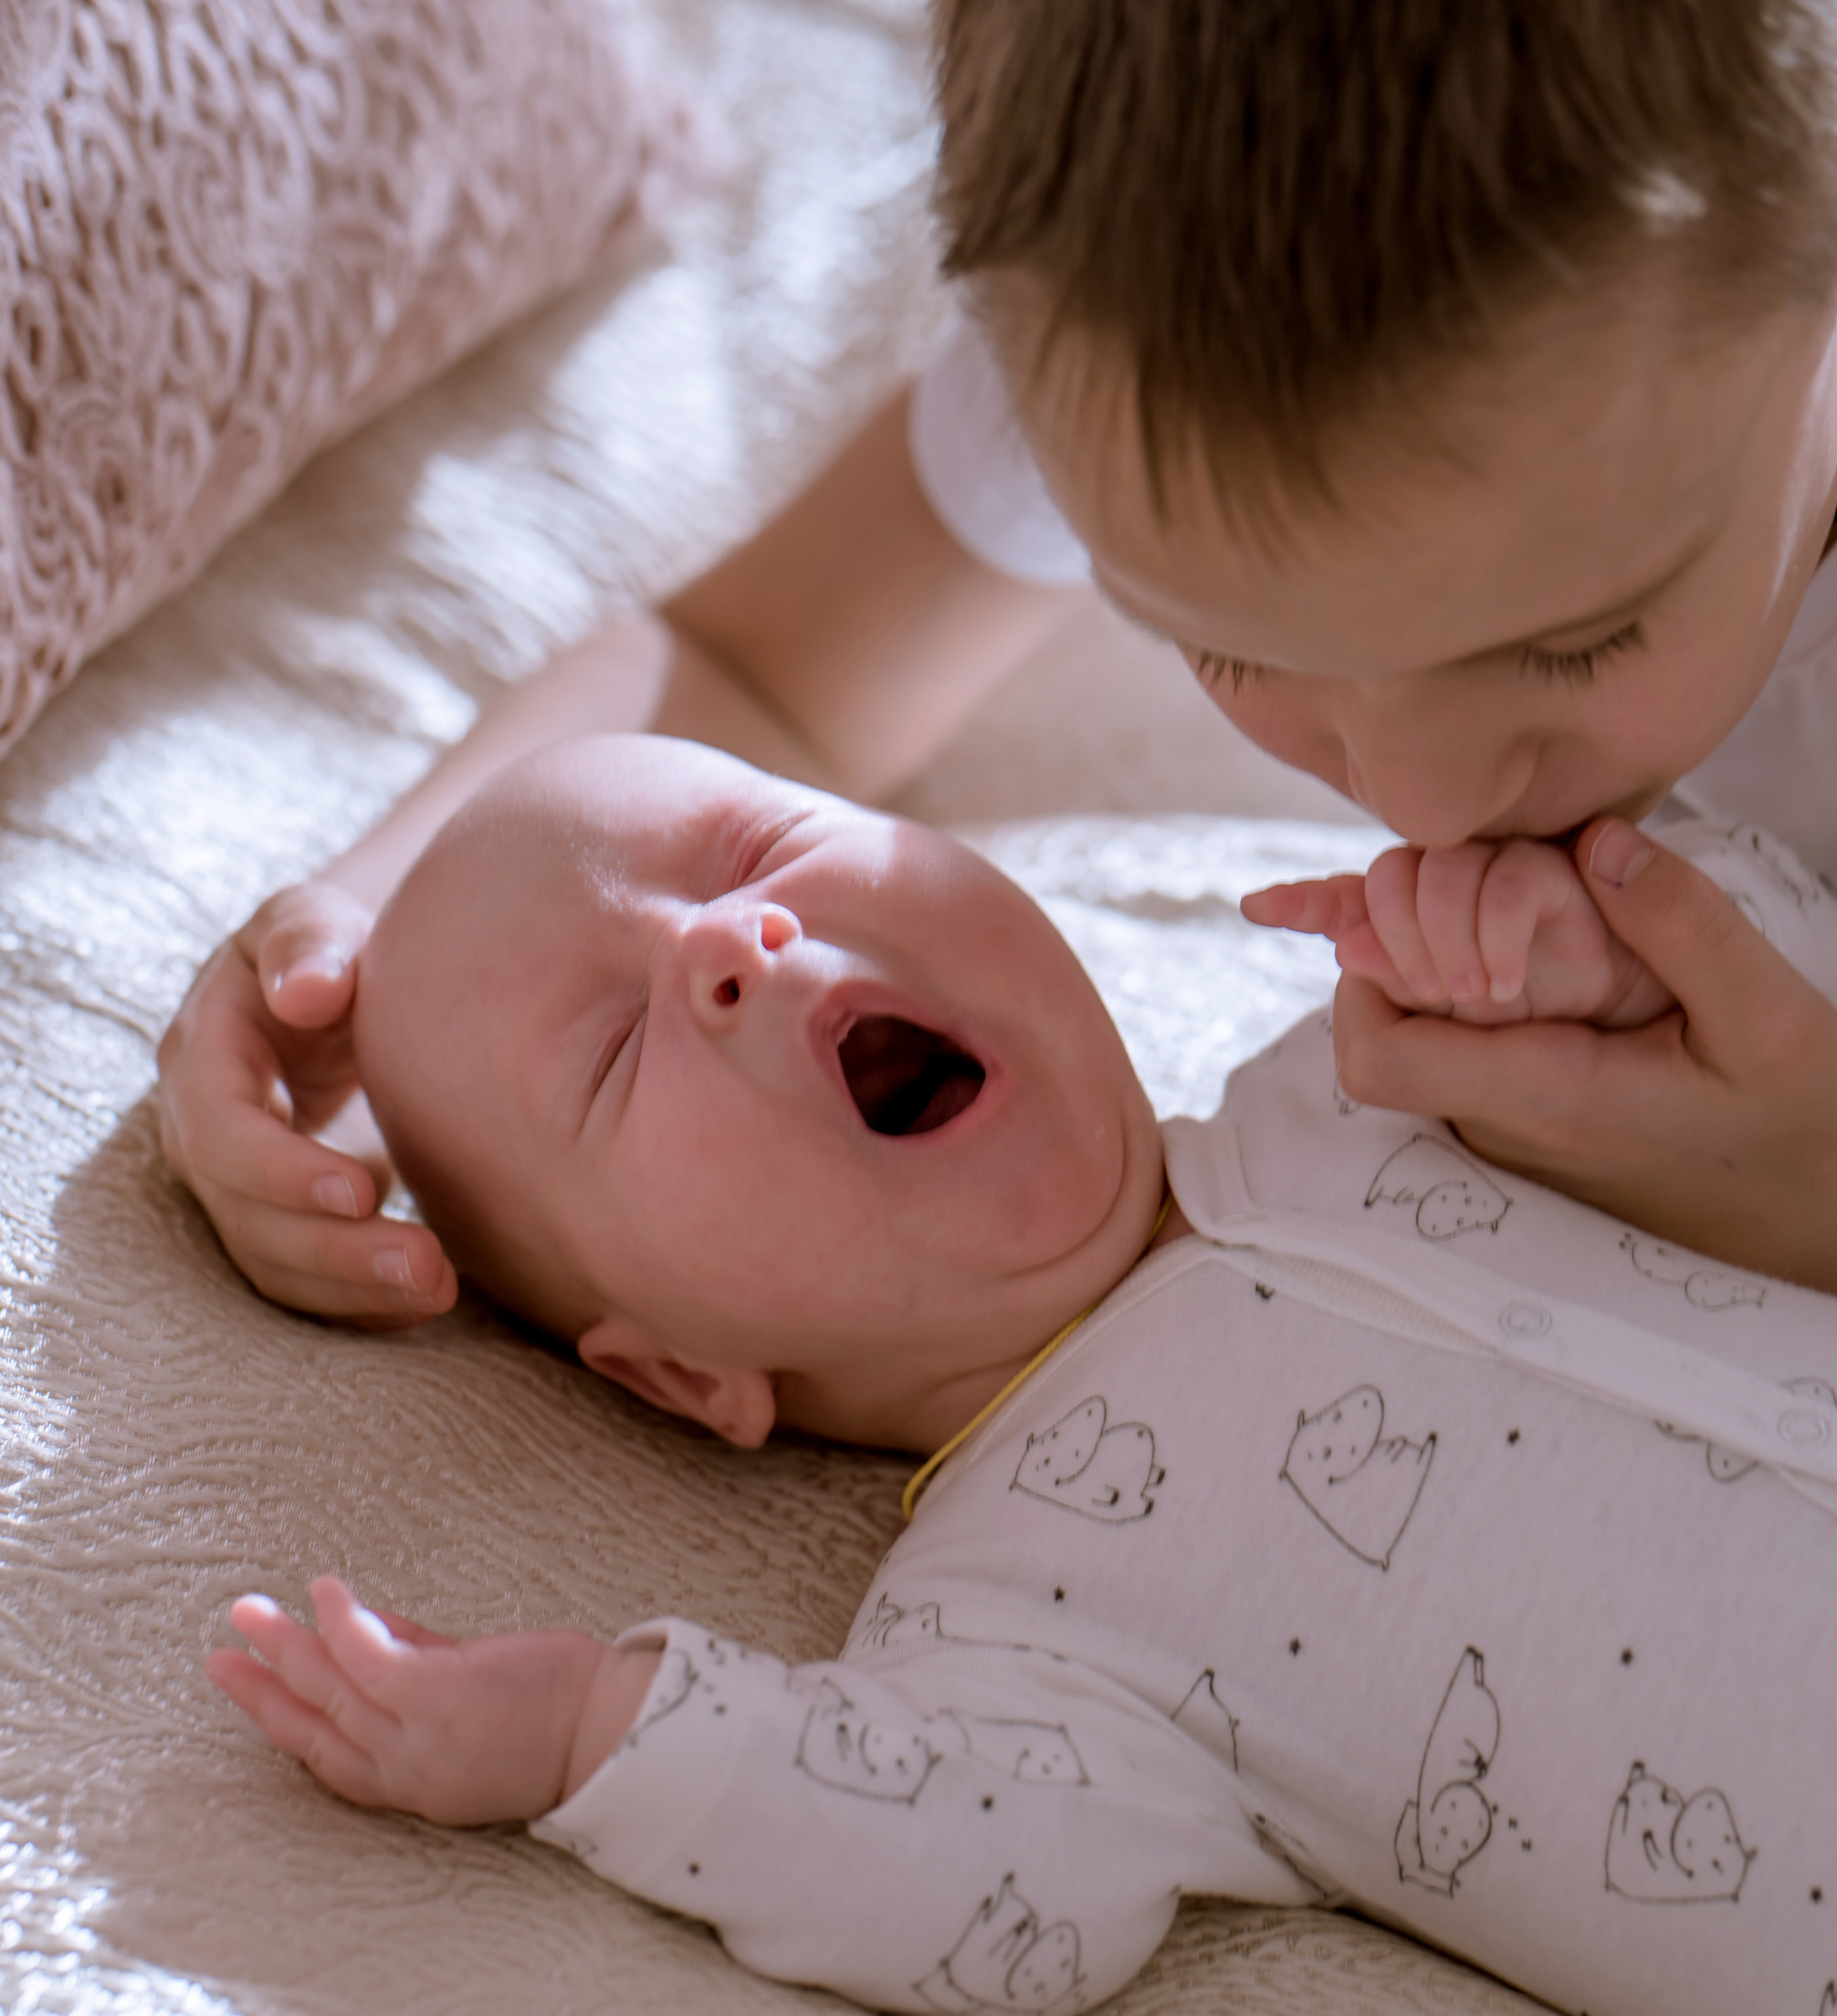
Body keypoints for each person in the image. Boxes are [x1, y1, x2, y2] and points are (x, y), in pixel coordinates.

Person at [210, 734, 1837, 2016]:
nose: (729, 941)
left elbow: (1767, 975)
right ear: (686, 1377)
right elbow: (974, 1889)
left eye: (761, 846)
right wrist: (590, 1731)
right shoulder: (1011, 1627)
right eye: (615, 1052)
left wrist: (1596, 953)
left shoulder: (1394, 1063)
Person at [156, 0, 1837, 1321]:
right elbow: (755, 667)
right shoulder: (1149, 316)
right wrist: (364, 953)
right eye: (1221, 646)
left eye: (1574, 640)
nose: (1419, 795)